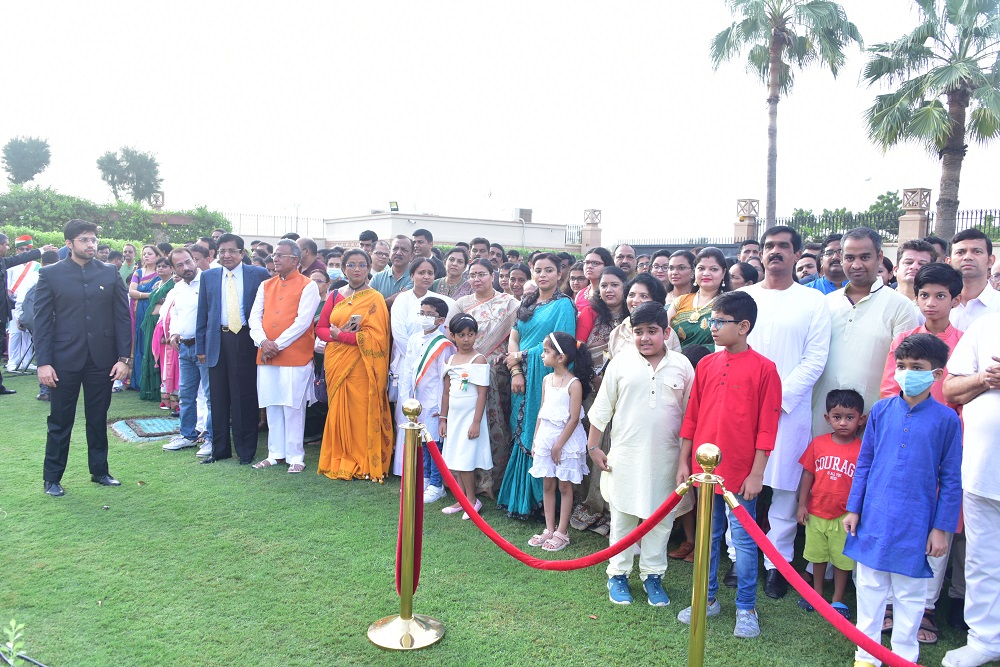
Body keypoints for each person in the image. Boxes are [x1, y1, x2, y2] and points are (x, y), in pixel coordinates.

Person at [844, 334, 962, 667]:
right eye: (902, 366)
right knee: (869, 588)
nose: (907, 373)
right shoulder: (881, 411)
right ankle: (866, 655)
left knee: (910, 595)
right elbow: (864, 461)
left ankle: (903, 657)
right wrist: (854, 508)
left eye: (917, 367)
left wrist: (941, 528)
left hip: (916, 521)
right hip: (874, 516)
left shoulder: (946, 420)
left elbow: (952, 478)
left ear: (936, 375)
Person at [675, 291, 782, 638]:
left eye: (720, 321)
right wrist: (683, 463)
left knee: (745, 542)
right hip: (704, 471)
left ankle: (746, 607)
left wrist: (757, 473)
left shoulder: (765, 369)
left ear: (744, 326)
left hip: (741, 474)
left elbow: (768, 427)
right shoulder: (706, 363)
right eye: (712, 320)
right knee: (708, 535)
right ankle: (706, 600)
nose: (713, 327)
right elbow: (691, 418)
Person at [743, 226, 831, 599]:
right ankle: (739, 559)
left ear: (797, 255)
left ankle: (776, 565)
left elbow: (815, 360)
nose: (775, 252)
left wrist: (777, 398)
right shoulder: (742, 297)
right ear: (760, 255)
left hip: (788, 411)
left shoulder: (813, 302)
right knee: (739, 486)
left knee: (782, 490)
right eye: (769, 246)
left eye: (783, 247)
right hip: (743, 409)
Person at [589, 303, 694, 606]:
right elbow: (602, 407)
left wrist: (684, 460)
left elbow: (690, 417)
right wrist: (594, 446)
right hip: (625, 456)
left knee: (660, 521)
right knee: (622, 518)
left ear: (667, 332)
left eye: (652, 331)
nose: (645, 338)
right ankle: (618, 574)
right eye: (638, 332)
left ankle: (653, 576)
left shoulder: (682, 365)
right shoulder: (621, 362)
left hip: (668, 460)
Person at [35, 219, 131, 496]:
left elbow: (122, 318)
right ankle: (52, 478)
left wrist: (124, 359)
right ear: (69, 243)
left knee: (97, 418)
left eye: (93, 240)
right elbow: (42, 322)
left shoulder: (110, 273)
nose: (91, 245)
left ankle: (100, 471)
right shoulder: (50, 274)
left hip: (102, 360)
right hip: (63, 360)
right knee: (60, 420)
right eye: (84, 240)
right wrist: (43, 362)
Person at [811, 228, 918, 438]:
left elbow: (907, 369)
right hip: (822, 420)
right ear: (841, 258)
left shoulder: (900, 306)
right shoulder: (825, 303)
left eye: (865, 257)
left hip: (873, 421)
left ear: (879, 257)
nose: (856, 265)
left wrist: (882, 412)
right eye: (849, 257)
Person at [941, 312, 1000, 667]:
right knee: (982, 561)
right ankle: (985, 639)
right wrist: (985, 378)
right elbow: (950, 387)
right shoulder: (987, 324)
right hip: (982, 470)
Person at [498, 253, 576, 518]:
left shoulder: (564, 305)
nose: (543, 275)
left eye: (549, 270)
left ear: (559, 274)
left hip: (546, 377)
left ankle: (538, 502)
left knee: (538, 432)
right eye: (538, 270)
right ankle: (517, 498)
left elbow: (562, 344)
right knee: (519, 430)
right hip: (522, 375)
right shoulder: (528, 301)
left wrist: (520, 356)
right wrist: (516, 369)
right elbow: (514, 337)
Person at [315, 248, 393, 481]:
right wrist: (336, 336)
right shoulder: (335, 295)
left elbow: (378, 338)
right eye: (351, 265)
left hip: (363, 364)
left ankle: (363, 460)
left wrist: (343, 336)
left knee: (360, 411)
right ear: (343, 269)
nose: (356, 269)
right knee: (338, 409)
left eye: (361, 265)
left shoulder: (375, 299)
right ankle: (340, 457)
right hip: (336, 360)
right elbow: (320, 328)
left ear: (369, 268)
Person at [196, 233, 271, 465]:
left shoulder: (258, 274)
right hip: (217, 340)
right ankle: (219, 450)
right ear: (216, 254)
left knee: (244, 397)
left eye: (231, 251)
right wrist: (201, 347)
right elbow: (203, 314)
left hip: (246, 340)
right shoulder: (208, 276)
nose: (226, 255)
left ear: (242, 253)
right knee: (217, 397)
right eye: (222, 251)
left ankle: (245, 451)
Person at [248, 240, 320, 474]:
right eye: (274, 255)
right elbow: (254, 319)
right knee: (272, 404)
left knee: (293, 406)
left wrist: (276, 344)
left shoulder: (308, 286)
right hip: (267, 354)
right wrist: (262, 341)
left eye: (280, 255)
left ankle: (295, 456)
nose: (275, 259)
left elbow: (302, 322)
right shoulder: (266, 285)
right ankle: (274, 453)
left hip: (294, 355)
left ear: (295, 260)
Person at [796, 389, 864, 619]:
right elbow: (807, 475)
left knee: (842, 560)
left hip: (844, 517)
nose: (843, 422)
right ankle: (816, 593)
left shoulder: (863, 449)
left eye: (850, 417)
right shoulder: (818, 444)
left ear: (860, 419)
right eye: (837, 417)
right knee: (816, 556)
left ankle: (837, 599)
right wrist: (801, 505)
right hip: (816, 512)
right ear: (827, 418)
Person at [456, 259, 519, 497]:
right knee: (470, 424)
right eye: (472, 275)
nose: (476, 279)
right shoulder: (462, 303)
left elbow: (516, 336)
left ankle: (495, 481)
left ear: (492, 276)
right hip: (467, 371)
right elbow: (453, 334)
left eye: (481, 274)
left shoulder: (509, 303)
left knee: (495, 425)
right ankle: (470, 480)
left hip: (497, 375)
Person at [526, 331, 593, 552]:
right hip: (546, 437)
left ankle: (562, 532)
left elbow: (574, 418)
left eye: (546, 351)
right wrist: (537, 440)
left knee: (564, 485)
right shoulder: (547, 380)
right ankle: (549, 528)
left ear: (561, 357)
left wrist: (559, 445)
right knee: (547, 482)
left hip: (566, 440)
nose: (543, 355)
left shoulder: (573, 384)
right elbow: (542, 412)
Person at [393, 296, 454, 501]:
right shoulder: (414, 338)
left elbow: (443, 377)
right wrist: (406, 398)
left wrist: (441, 407)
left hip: (434, 401)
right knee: (422, 442)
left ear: (440, 320)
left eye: (430, 314)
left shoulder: (443, 344)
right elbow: (408, 368)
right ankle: (426, 479)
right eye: (422, 313)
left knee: (434, 443)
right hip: (417, 399)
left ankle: (437, 485)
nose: (424, 317)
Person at [439, 313, 493, 517]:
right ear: (453, 336)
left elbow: (482, 394)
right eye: (461, 335)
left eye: (471, 334)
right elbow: (446, 392)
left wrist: (476, 422)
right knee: (456, 459)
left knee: (466, 460)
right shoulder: (451, 359)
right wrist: (443, 419)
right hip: (454, 418)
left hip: (470, 418)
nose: (466, 339)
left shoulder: (478, 360)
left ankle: (472, 500)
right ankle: (461, 499)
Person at [163, 248, 213, 455]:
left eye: (188, 262)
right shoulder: (178, 288)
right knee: (186, 395)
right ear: (174, 269)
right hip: (184, 346)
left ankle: (210, 437)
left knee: (210, 396)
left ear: (194, 261)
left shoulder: (208, 281)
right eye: (180, 265)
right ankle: (188, 435)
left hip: (205, 347)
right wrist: (174, 332)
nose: (186, 267)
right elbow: (176, 312)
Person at [1, 233, 50, 395]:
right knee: (14, 336)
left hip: (3, 312)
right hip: (12, 308)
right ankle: (12, 363)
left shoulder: (4, 262)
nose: (8, 248)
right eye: (6, 244)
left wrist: (41, 250)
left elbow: (19, 259)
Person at [668, 247, 730, 349]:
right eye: (701, 268)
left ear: (723, 273)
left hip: (713, 362)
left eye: (713, 269)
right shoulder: (680, 302)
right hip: (679, 362)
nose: (706, 273)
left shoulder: (729, 303)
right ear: (694, 271)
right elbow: (663, 334)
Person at [138, 256, 176, 403]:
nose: (160, 268)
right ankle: (151, 390)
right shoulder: (158, 283)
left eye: (164, 266)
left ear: (172, 268)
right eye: (158, 266)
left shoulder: (174, 283)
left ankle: (164, 392)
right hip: (151, 321)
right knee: (150, 353)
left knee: (160, 356)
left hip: (161, 323)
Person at [576, 266, 628, 372]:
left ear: (625, 287)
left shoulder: (631, 314)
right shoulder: (589, 312)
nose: (608, 290)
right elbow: (579, 348)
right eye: (604, 286)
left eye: (614, 285)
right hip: (591, 376)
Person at [948, 229, 999, 330]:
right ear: (948, 262)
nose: (968, 257)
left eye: (977, 251)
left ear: (990, 261)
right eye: (960, 252)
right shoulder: (936, 304)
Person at [129, 245, 164, 390]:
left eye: (150, 254)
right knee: (138, 341)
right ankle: (137, 381)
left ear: (157, 256)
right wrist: (150, 295)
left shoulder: (161, 273)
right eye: (144, 254)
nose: (146, 256)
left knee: (150, 342)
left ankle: (152, 383)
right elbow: (131, 292)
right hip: (138, 311)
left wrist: (142, 295)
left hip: (153, 312)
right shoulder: (138, 272)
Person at [5, 235, 41, 373]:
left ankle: (25, 362)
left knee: (27, 333)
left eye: (28, 249)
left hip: (30, 303)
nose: (25, 251)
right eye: (22, 249)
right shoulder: (12, 265)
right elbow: (7, 286)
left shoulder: (36, 266)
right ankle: (12, 362)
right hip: (14, 302)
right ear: (17, 250)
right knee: (15, 333)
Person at [371, 235, 414, 303]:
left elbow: (400, 299)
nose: (398, 253)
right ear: (390, 252)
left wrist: (378, 305)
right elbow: (368, 301)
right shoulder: (377, 278)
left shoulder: (416, 277)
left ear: (411, 256)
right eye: (395, 249)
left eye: (404, 250)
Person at [893, 239, 937, 304]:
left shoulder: (938, 307)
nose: (914, 267)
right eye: (908, 262)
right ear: (895, 270)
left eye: (922, 264)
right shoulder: (880, 300)